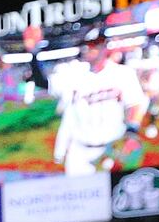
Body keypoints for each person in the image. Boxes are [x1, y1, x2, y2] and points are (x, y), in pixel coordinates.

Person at [49, 28, 147, 176]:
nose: (89, 48)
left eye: (95, 44)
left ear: (104, 46)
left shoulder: (123, 73)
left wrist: (132, 131)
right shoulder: (74, 75)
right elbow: (45, 82)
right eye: (87, 44)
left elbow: (135, 104)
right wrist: (34, 53)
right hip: (80, 150)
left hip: (111, 147)